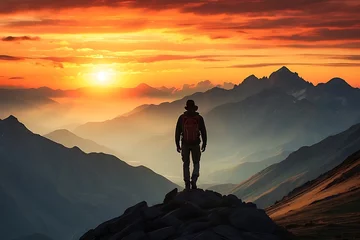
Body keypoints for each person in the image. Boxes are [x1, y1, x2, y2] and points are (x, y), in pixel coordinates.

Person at [175, 99, 207, 190]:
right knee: (196, 162)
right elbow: (203, 131)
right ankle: (194, 179)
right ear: (194, 108)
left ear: (187, 108)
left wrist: (177, 144)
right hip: (196, 143)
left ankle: (187, 183)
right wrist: (205, 143)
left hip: (185, 143)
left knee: (186, 163)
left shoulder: (182, 118)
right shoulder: (199, 118)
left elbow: (177, 131)